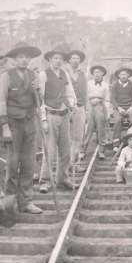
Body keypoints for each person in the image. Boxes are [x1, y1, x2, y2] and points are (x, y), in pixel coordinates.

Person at [0, 42, 43, 214]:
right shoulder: (6, 76)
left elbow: (40, 102)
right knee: (12, 163)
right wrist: (5, 126)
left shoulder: (33, 76)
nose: (24, 60)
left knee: (29, 163)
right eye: (21, 57)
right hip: (13, 124)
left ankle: (26, 202)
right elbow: (1, 101)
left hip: (30, 123)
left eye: (27, 57)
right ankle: (10, 202)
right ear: (15, 59)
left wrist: (38, 91)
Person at [38, 48, 78, 192]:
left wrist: (72, 106)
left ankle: (63, 179)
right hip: (50, 114)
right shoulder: (43, 75)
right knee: (49, 149)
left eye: (60, 58)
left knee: (65, 150)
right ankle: (45, 180)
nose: (58, 61)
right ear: (49, 60)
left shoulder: (64, 74)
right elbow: (40, 99)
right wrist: (43, 119)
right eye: (55, 58)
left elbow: (70, 92)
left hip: (64, 114)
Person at [81, 65, 110, 159]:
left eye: (99, 72)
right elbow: (85, 96)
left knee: (101, 129)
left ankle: (101, 151)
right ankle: (83, 150)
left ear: (102, 74)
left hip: (100, 106)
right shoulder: (88, 84)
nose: (97, 74)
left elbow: (107, 99)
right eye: (95, 72)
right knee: (88, 129)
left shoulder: (106, 85)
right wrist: (86, 108)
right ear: (92, 74)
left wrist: (108, 113)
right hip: (90, 106)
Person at [64, 50, 88, 165]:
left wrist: (85, 109)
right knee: (66, 137)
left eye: (77, 58)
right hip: (66, 108)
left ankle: (75, 163)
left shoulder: (83, 73)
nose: (75, 60)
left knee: (78, 136)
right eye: (73, 58)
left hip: (80, 107)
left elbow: (85, 92)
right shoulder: (64, 72)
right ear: (69, 60)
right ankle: (65, 164)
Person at [110, 67, 132, 148]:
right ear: (118, 75)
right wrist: (118, 108)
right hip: (118, 108)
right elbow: (112, 98)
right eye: (122, 74)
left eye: (125, 74)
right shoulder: (115, 85)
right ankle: (116, 144)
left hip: (130, 108)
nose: (123, 76)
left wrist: (131, 107)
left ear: (128, 75)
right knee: (118, 121)